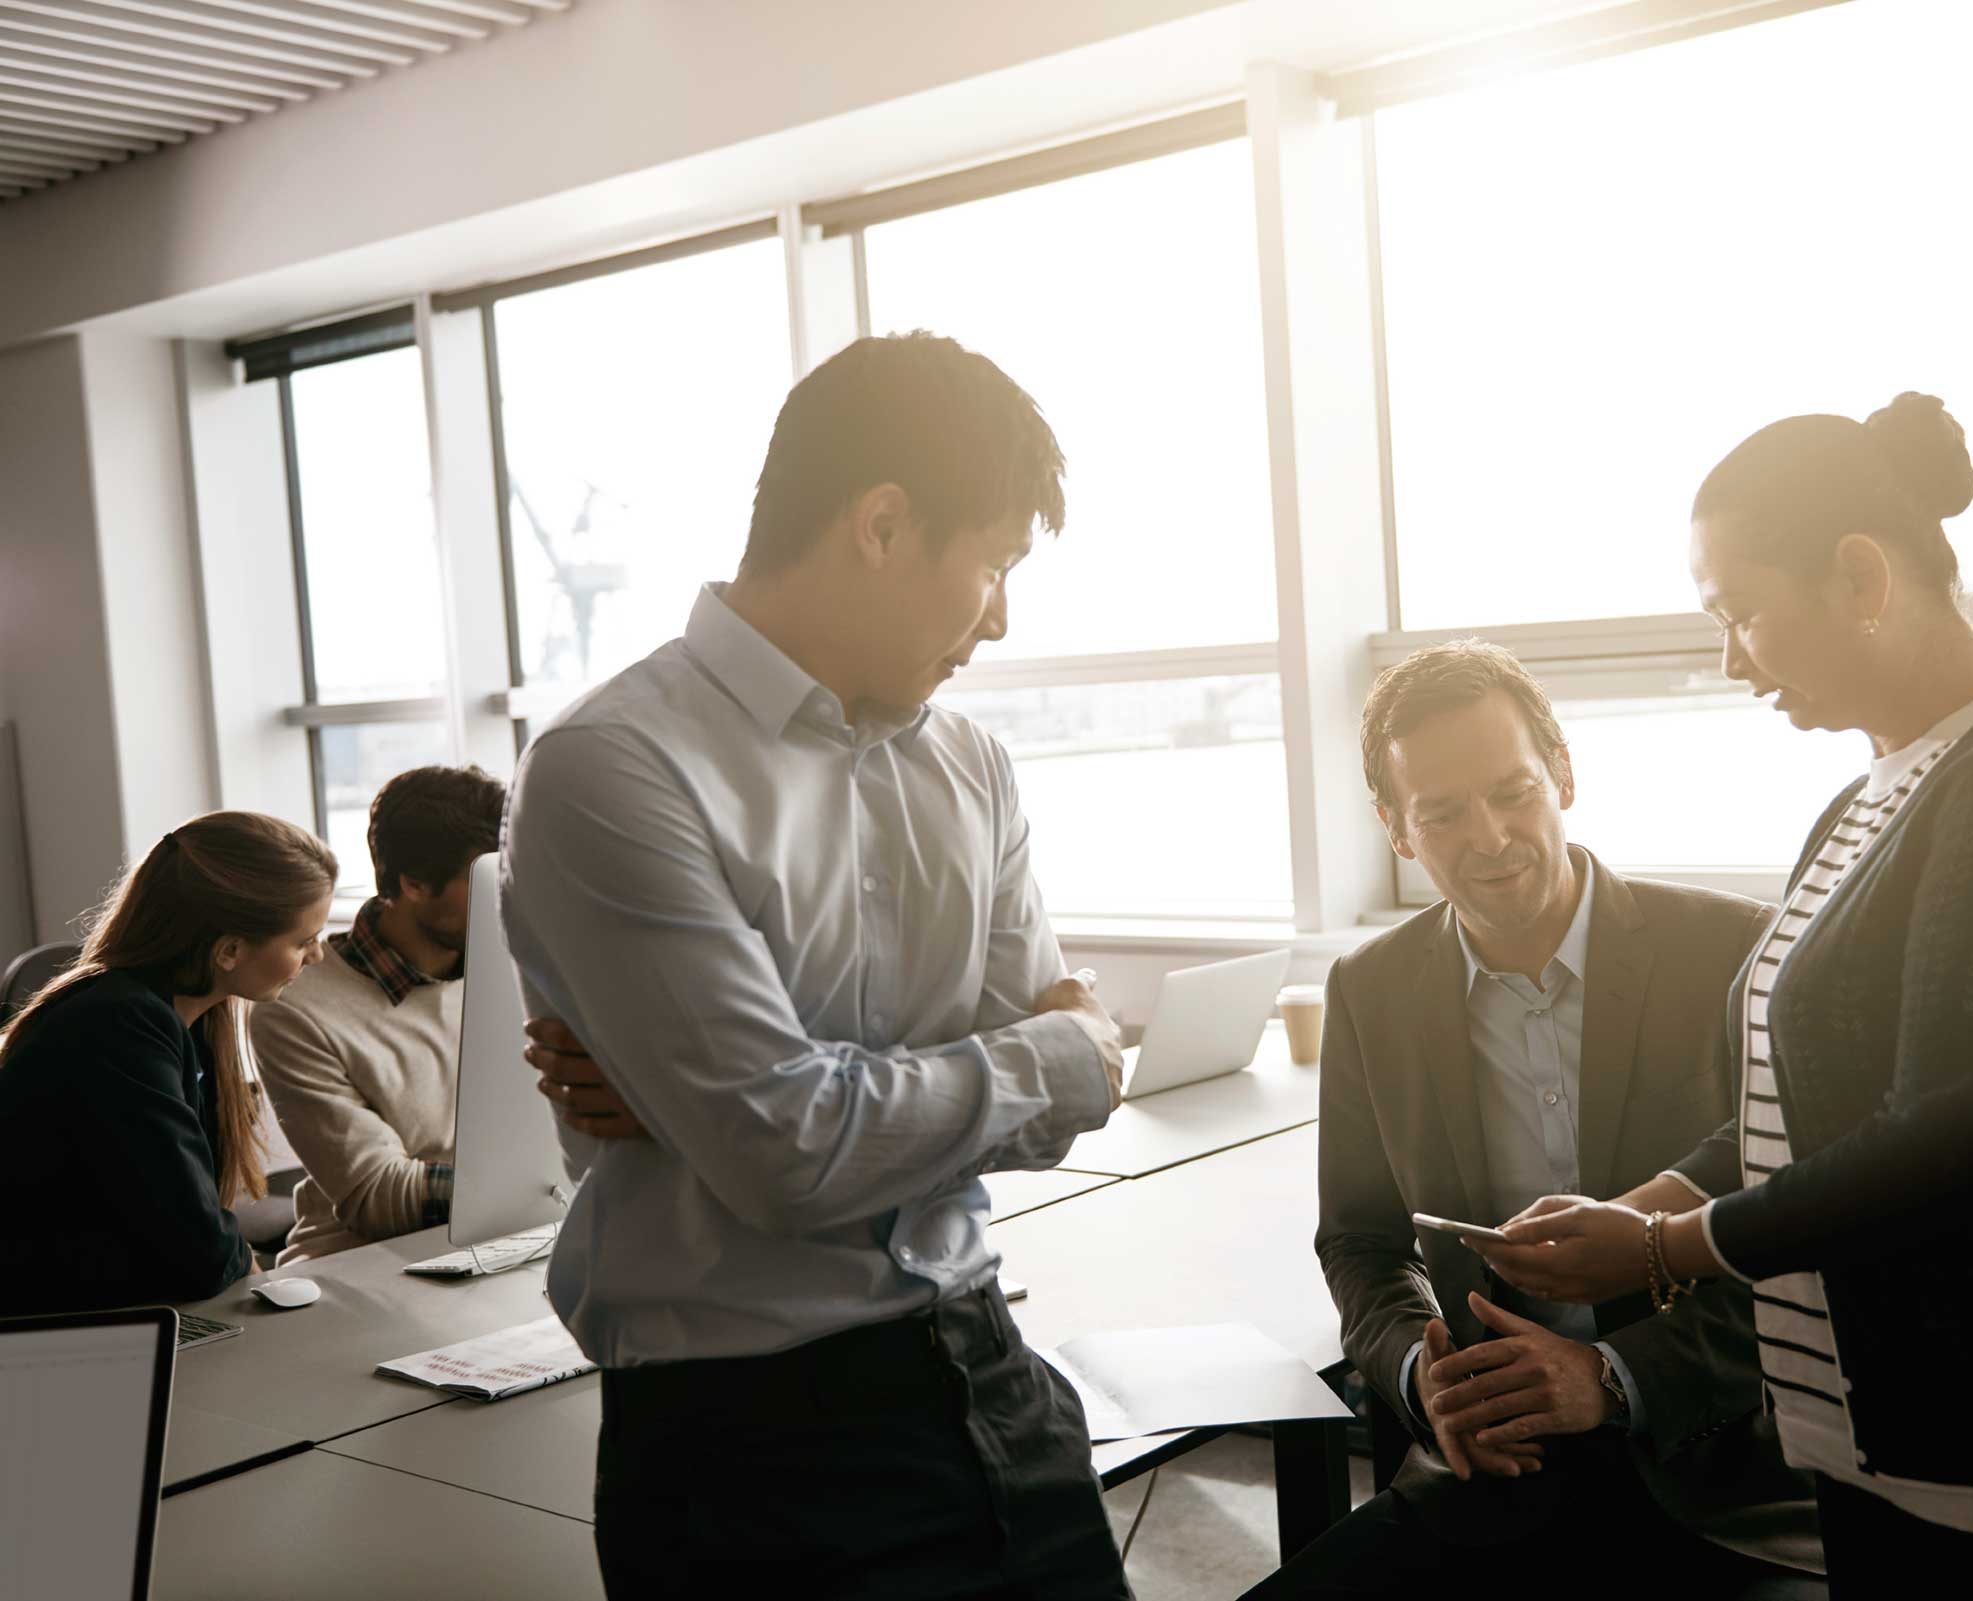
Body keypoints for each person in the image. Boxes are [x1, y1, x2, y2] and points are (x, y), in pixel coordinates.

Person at [1470, 394, 1973, 1599]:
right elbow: (1803, 1103)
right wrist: (1638, 1205)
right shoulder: (1879, 790)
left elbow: (1942, 1150)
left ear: (1862, 576)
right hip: (1882, 1438)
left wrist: (1661, 1249)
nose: (1732, 658)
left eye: (1743, 613)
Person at [502, 332, 1131, 1600]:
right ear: (883, 523)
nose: (1001, 618)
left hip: (990, 1369)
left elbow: (1039, 1123)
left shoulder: (970, 765)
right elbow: (788, 1154)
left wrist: (776, 1106)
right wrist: (1055, 1051)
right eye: (996, 564)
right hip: (750, 1451)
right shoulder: (613, 766)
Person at [1244, 640, 1821, 1597]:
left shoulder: (1733, 949)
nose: (1489, 838)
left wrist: (1611, 1374)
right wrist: (1419, 1373)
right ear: (1396, 829)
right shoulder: (1369, 990)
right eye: (1441, 813)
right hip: (1490, 1472)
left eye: (1513, 793)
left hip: (1723, 1468)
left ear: (1563, 775)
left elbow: (1804, 1241)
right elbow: (1360, 1241)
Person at [0, 812, 334, 1314]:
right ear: (229, 950)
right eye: (304, 941)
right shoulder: (117, 1026)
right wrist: (253, 1275)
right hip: (59, 1326)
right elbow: (197, 1246)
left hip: (120, 1308)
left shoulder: (186, 1018)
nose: (318, 955)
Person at [252, 766, 506, 1263]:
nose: (508, 893)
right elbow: (377, 1193)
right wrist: (534, 1187)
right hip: (363, 1264)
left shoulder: (514, 964)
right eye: (488, 878)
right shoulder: (295, 1007)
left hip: (506, 1237)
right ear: (414, 885)